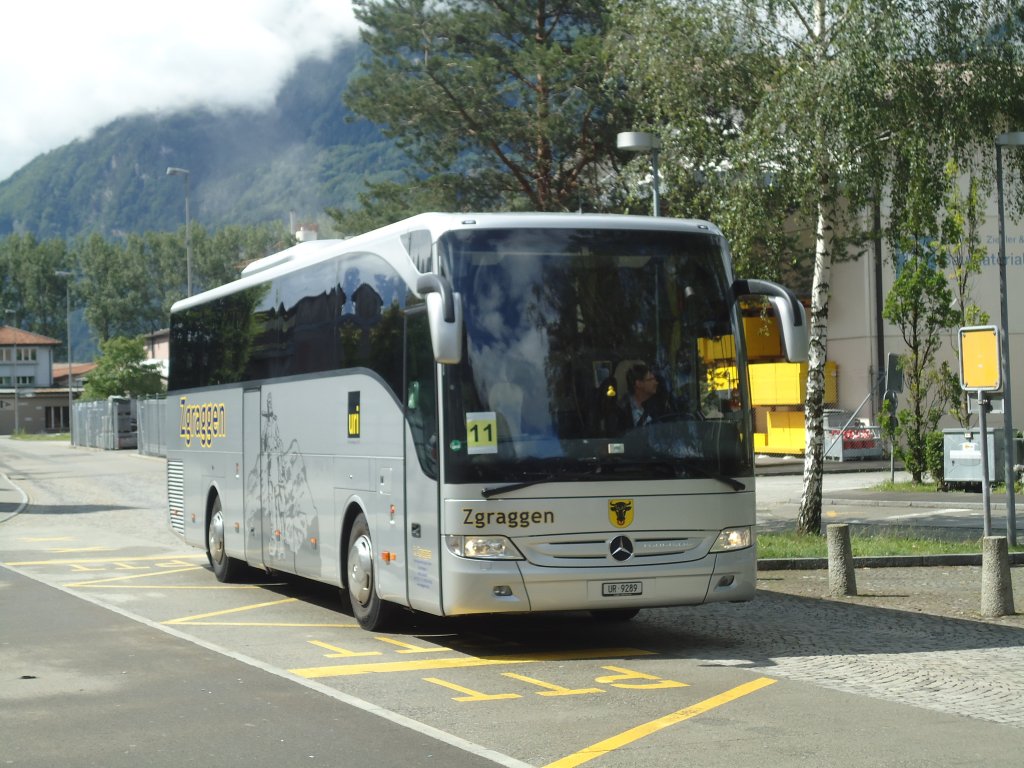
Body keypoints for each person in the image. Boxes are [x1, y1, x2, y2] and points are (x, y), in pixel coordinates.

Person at [621, 363, 661, 428]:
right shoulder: (624, 410)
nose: (656, 383)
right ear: (639, 384)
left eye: (655, 379)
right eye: (651, 379)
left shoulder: (654, 403)